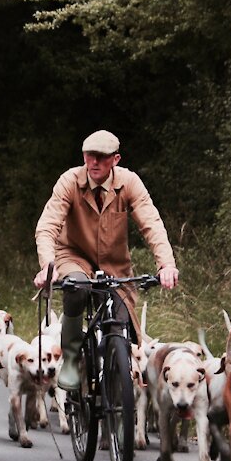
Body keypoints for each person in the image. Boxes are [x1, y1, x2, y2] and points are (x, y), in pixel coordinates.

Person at [32, 130, 180, 392]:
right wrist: (48, 265)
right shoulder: (69, 181)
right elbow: (48, 226)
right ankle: (72, 356)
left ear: (116, 159)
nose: (95, 163)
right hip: (72, 255)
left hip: (115, 264)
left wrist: (166, 264)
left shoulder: (129, 183)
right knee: (76, 287)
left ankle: (118, 388)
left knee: (121, 326)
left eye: (102, 157)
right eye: (90, 156)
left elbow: (152, 224)